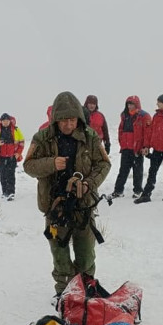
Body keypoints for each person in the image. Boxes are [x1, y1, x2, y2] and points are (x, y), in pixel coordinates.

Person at [24, 91, 111, 298]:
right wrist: (51, 163)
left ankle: (86, 290)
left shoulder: (90, 137)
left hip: (83, 206)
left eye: (72, 120)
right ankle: (64, 293)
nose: (68, 125)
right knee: (60, 257)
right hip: (55, 207)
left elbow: (104, 164)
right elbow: (28, 166)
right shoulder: (42, 138)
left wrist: (89, 184)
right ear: (55, 120)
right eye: (63, 120)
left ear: (78, 118)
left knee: (86, 255)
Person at [135, 94, 163, 204]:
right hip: (157, 149)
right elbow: (150, 133)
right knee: (152, 172)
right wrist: (147, 146)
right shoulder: (156, 116)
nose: (157, 104)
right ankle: (146, 195)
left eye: (159, 102)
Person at [111, 96, 151, 199]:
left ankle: (138, 190)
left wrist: (145, 146)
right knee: (123, 170)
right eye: (128, 104)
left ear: (137, 104)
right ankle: (118, 191)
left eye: (132, 104)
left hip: (137, 149)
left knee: (137, 171)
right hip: (126, 148)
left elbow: (147, 133)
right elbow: (121, 130)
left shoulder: (144, 116)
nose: (130, 106)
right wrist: (122, 143)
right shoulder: (124, 115)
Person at [0, 113, 25, 201]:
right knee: (3, 175)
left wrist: (18, 153)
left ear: (10, 121)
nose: (5, 122)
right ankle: (4, 192)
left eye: (7, 121)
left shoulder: (16, 130)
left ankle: (11, 193)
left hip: (12, 157)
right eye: (4, 121)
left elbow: (21, 142)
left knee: (11, 175)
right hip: (0, 157)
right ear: (1, 121)